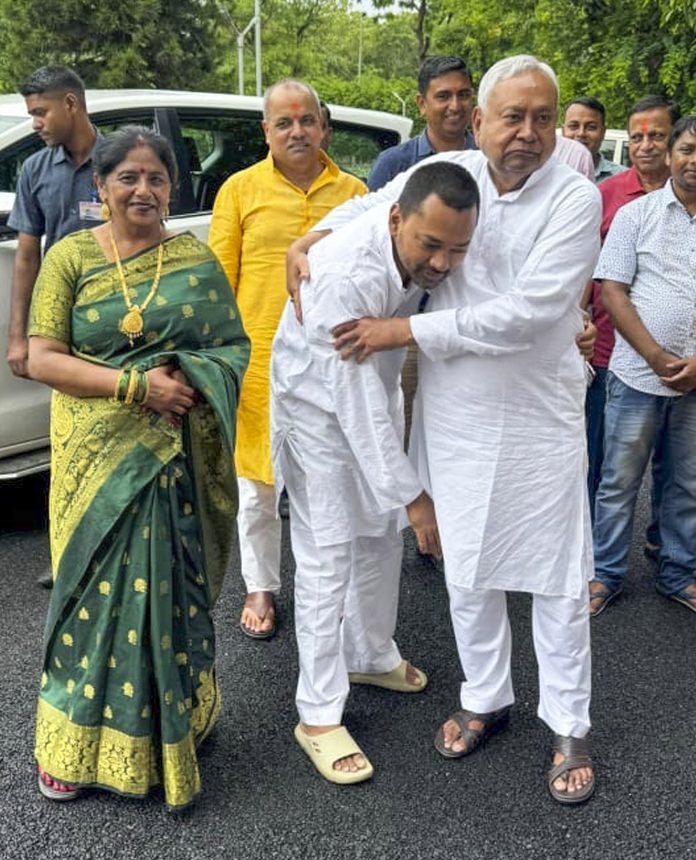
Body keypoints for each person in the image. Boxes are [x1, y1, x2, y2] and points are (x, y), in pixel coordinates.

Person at [288, 54, 601, 804]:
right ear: (480, 121)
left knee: (557, 577)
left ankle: (568, 723)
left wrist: (405, 332)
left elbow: (531, 313)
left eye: (543, 119)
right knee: (466, 566)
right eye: (512, 117)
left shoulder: (576, 196)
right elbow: (375, 206)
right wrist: (311, 237)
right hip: (456, 413)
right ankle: (486, 696)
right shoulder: (453, 170)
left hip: (539, 413)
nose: (528, 133)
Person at [27, 127, 249, 809]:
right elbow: (42, 357)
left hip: (170, 461)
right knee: (90, 600)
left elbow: (232, 348)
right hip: (95, 461)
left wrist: (188, 376)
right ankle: (72, 747)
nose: (143, 190)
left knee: (170, 596)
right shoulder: (69, 257)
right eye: (127, 177)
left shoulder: (193, 259)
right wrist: (136, 386)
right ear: (100, 186)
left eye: (156, 178)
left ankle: (178, 724)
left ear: (171, 188)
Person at [272, 162, 477, 784]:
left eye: (457, 250)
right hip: (315, 407)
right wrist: (416, 497)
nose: (441, 264)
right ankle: (317, 715)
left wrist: (306, 235)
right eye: (430, 245)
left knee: (381, 538)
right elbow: (352, 402)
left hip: (375, 395)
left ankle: (368, 651)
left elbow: (380, 194)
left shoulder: (445, 195)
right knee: (328, 554)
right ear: (395, 223)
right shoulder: (343, 276)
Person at [208, 79, 365, 640]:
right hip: (258, 365)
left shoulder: (355, 192)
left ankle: (330, 588)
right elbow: (218, 282)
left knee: (328, 482)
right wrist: (219, 360)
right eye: (283, 122)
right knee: (257, 487)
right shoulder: (239, 190)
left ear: (324, 128)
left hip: (331, 361)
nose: (296, 131)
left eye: (306, 120)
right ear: (266, 131)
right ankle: (260, 586)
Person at [588, 115, 696, 617]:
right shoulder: (637, 214)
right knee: (618, 481)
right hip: (636, 373)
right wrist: (655, 355)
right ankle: (605, 572)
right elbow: (612, 291)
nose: (694, 160)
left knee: (687, 483)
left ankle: (678, 573)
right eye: (688, 149)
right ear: (672, 155)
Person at [6, 65, 104, 589]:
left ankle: (117, 549)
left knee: (116, 436)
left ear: (71, 104)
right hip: (61, 324)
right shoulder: (35, 169)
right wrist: (18, 337)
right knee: (66, 440)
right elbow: (27, 256)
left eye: (41, 112)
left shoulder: (119, 160)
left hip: (117, 320)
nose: (36, 123)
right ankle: (67, 552)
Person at [583, 95, 680, 535]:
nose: (645, 145)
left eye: (656, 135)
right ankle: (592, 549)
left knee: (676, 465)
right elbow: (586, 268)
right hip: (609, 352)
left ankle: (663, 542)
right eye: (637, 137)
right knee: (607, 462)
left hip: (681, 359)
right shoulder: (607, 195)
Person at [367, 56, 476, 191]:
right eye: (443, 96)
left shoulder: (490, 159)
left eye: (463, 95)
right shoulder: (393, 165)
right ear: (422, 104)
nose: (455, 106)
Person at [562, 97, 627, 184]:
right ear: (563, 131)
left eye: (591, 127)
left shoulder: (624, 179)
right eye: (574, 126)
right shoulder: (548, 174)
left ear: (603, 132)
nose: (581, 133)